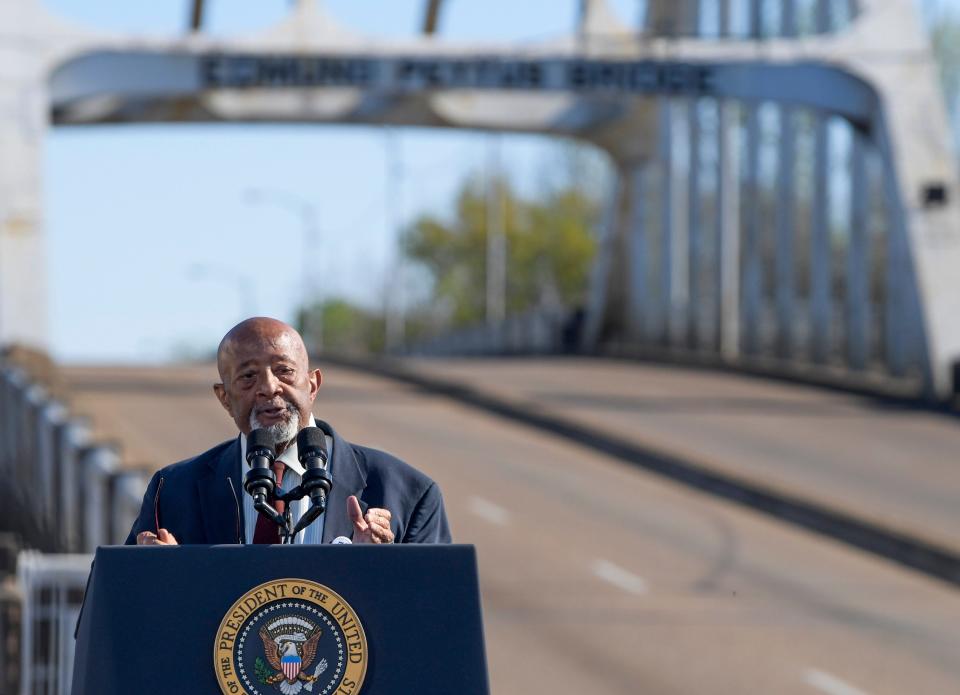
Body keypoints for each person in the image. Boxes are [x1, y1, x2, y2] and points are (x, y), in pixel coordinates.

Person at [126, 317, 451, 545]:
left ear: (312, 385)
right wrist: (158, 575)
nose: (269, 388)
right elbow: (118, 619)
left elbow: (437, 626)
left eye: (284, 371)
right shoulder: (171, 492)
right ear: (224, 397)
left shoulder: (407, 493)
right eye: (248, 377)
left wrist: (382, 568)